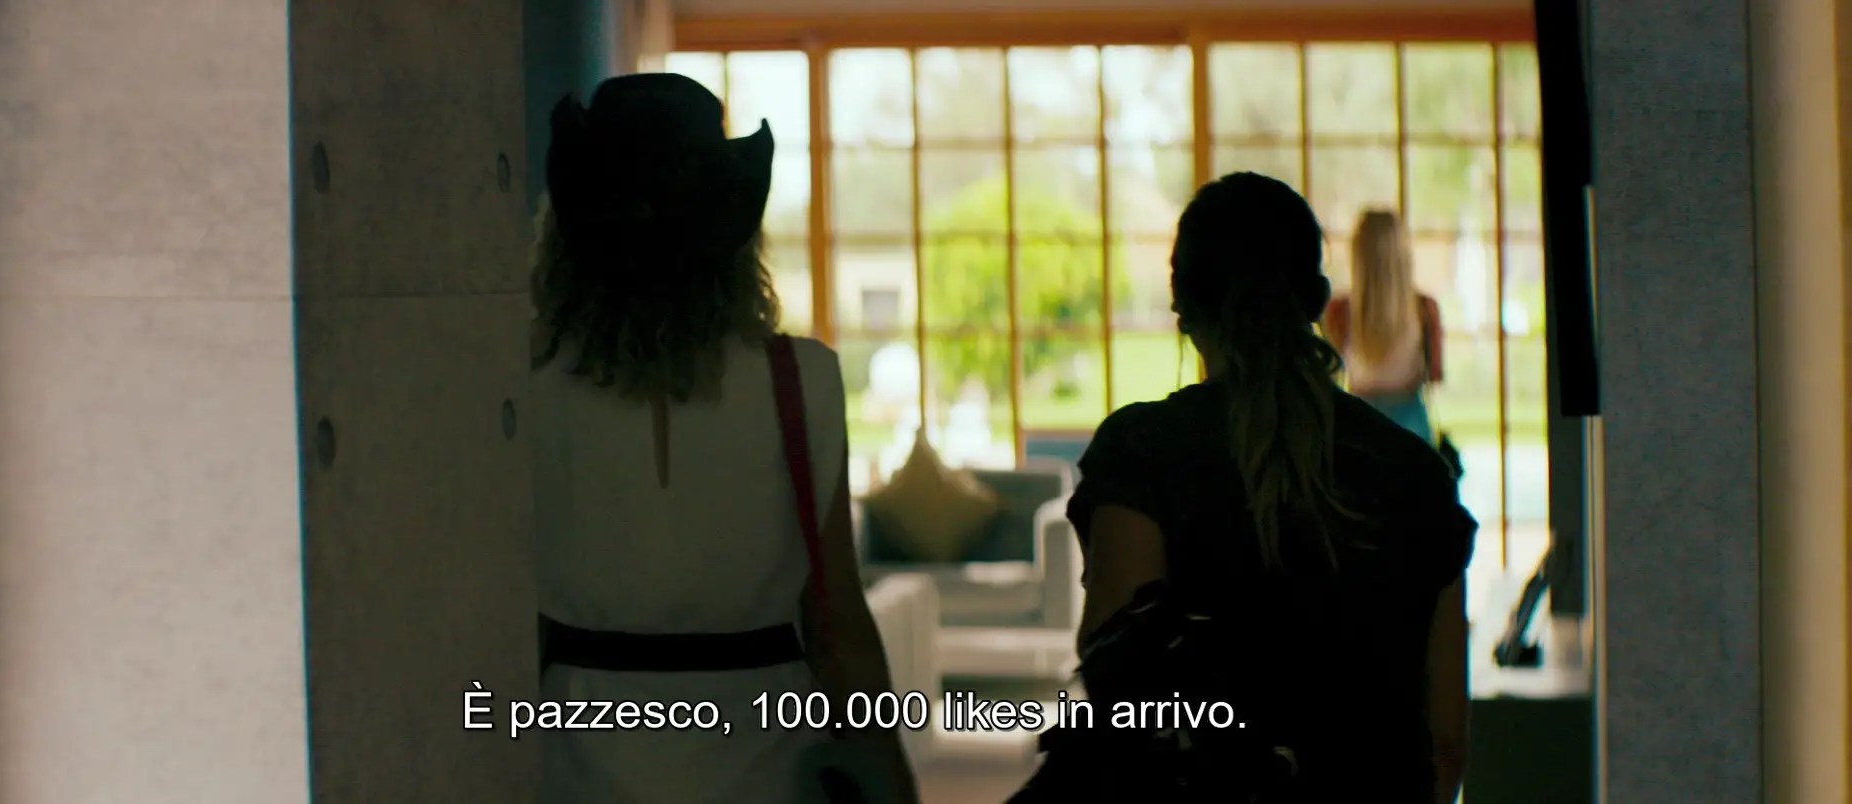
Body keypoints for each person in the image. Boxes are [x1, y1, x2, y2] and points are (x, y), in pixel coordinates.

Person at [1022, 174, 1475, 802]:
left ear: (1183, 309)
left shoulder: (1143, 453)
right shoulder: (1419, 476)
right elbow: (1444, 745)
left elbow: (1120, 699)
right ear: (1316, 304)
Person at [528, 73, 917, 804]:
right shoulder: (799, 381)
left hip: (573, 755)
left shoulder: (518, 390)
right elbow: (835, 619)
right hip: (765, 757)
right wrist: (891, 776)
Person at [1320, 210, 1445, 442]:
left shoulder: (1339, 311)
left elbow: (1332, 374)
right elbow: (1436, 373)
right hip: (1411, 428)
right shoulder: (1425, 308)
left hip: (1360, 424)